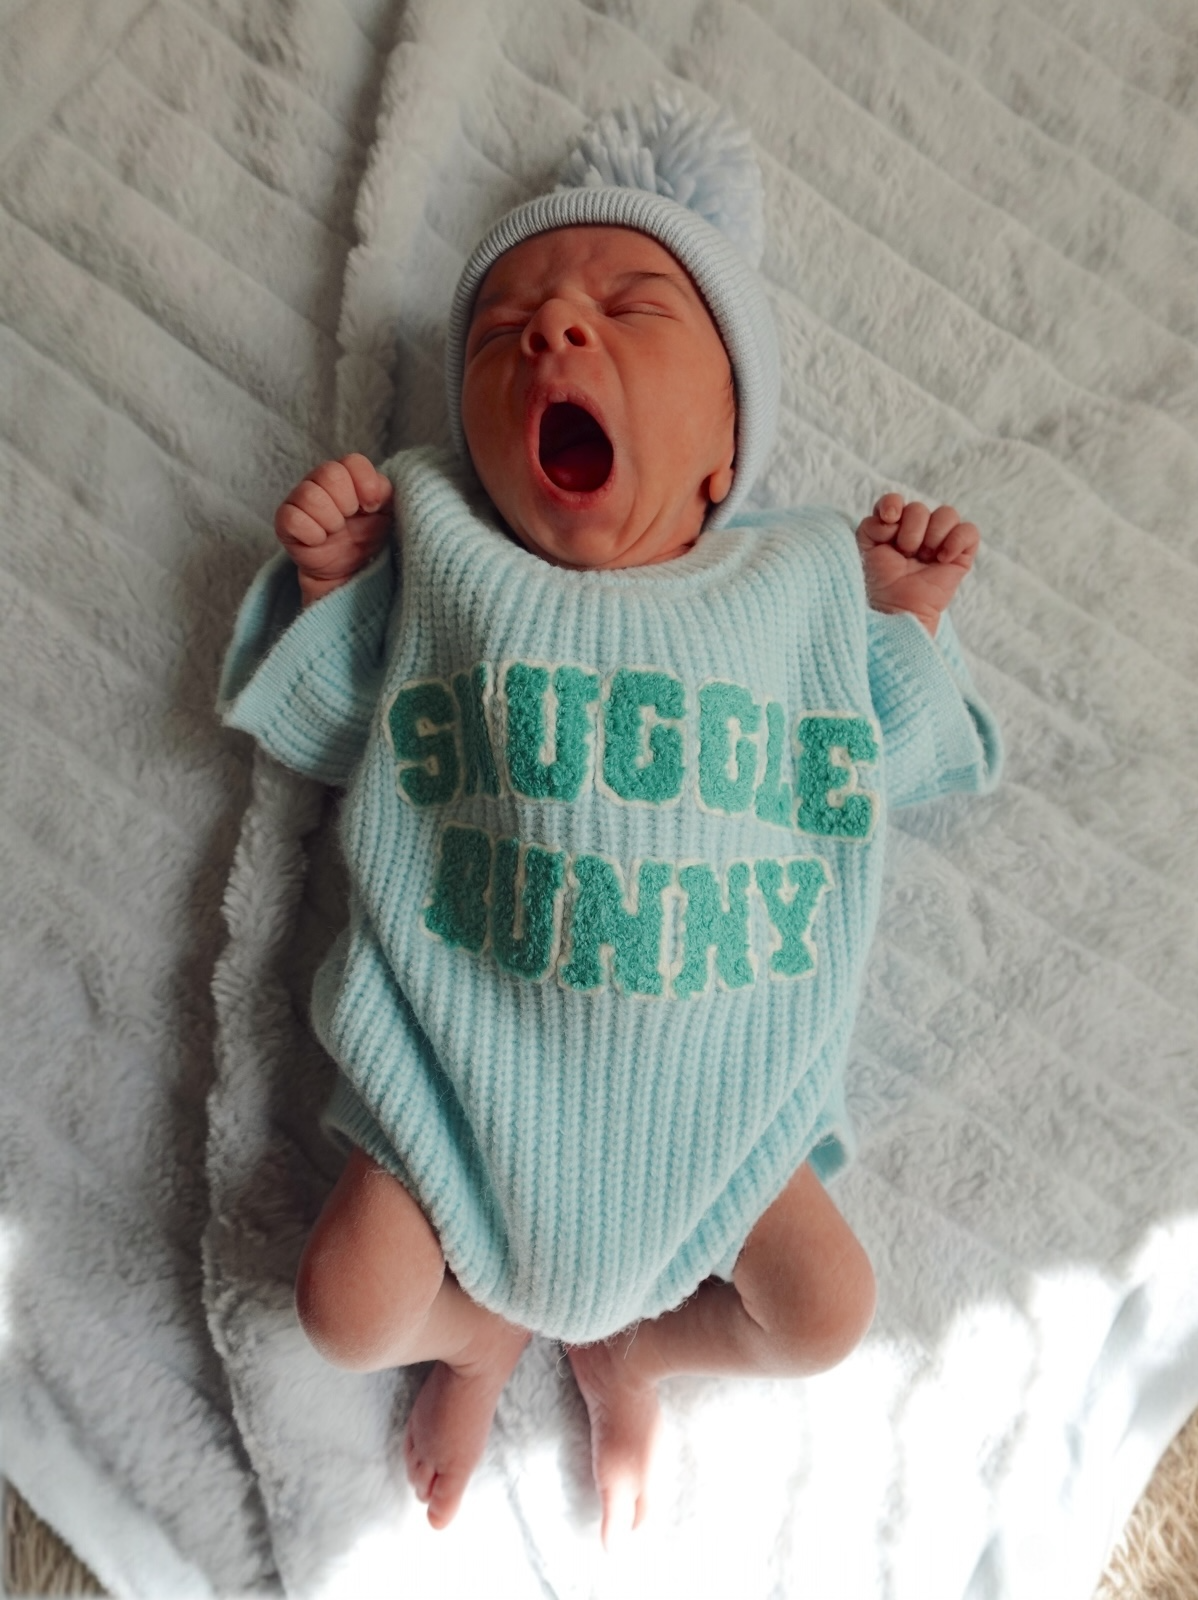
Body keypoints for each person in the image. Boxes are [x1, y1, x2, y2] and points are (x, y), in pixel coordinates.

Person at [218, 94, 1001, 1545]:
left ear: (726, 454)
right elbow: (335, 739)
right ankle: (472, 1335)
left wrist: (896, 622)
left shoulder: (790, 588)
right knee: (341, 1306)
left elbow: (890, 757)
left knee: (826, 1313)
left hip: (717, 1096)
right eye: (501, 326)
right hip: (462, 1081)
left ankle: (635, 1350)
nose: (550, 334)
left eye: (629, 308)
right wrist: (338, 589)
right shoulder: (443, 553)